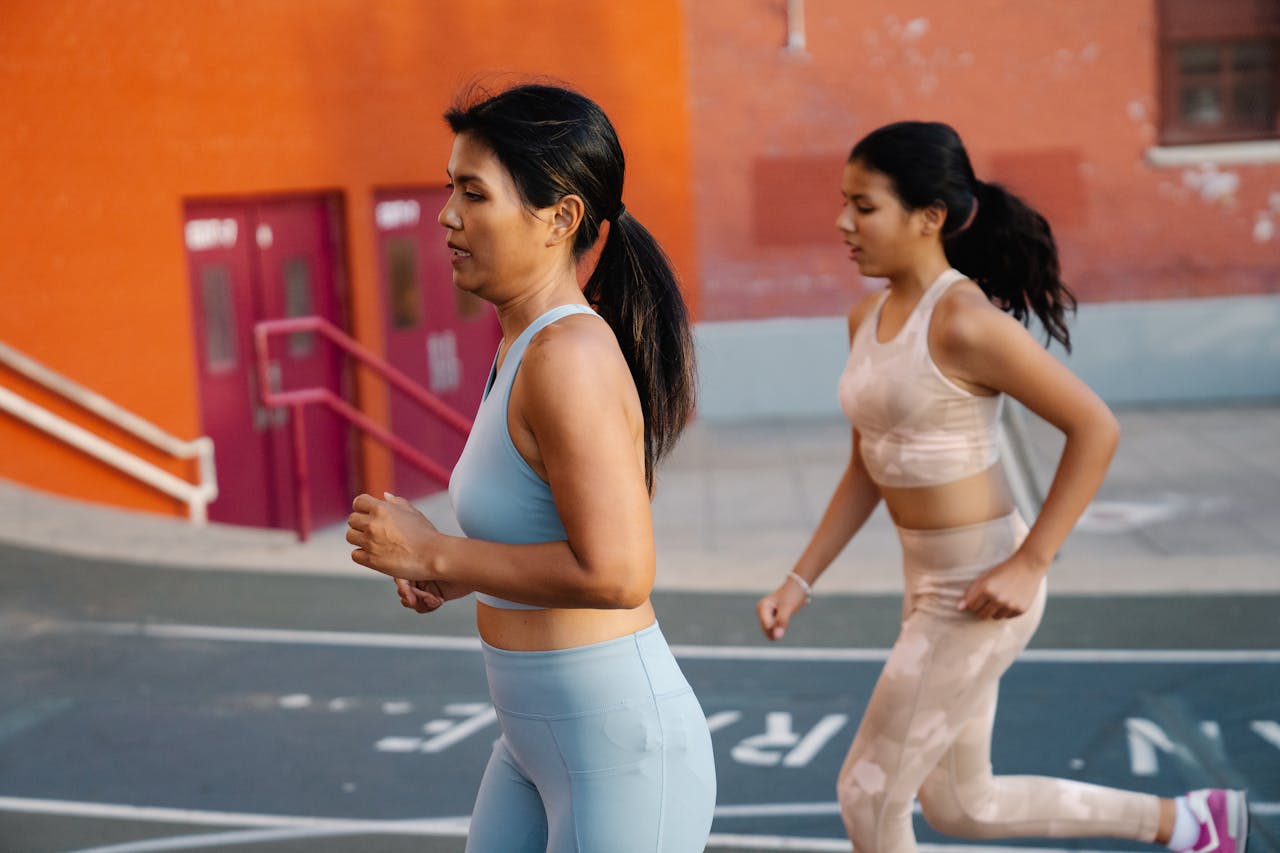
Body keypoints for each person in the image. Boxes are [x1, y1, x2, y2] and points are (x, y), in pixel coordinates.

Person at [755, 121, 1249, 853]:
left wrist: (1031, 562)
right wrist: (800, 579)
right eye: (844, 203)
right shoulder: (866, 317)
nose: (842, 223)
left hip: (982, 587)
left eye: (864, 206)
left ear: (929, 217)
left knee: (868, 795)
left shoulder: (965, 322)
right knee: (962, 803)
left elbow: (1095, 427)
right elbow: (867, 465)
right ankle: (1193, 824)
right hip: (925, 581)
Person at [346, 83, 715, 852]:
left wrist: (435, 552)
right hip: (532, 739)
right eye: (450, 188)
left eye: (474, 193)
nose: (446, 216)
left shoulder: (567, 355)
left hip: (617, 749)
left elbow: (618, 572)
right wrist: (458, 571)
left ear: (561, 217)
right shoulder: (524, 345)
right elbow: (548, 533)